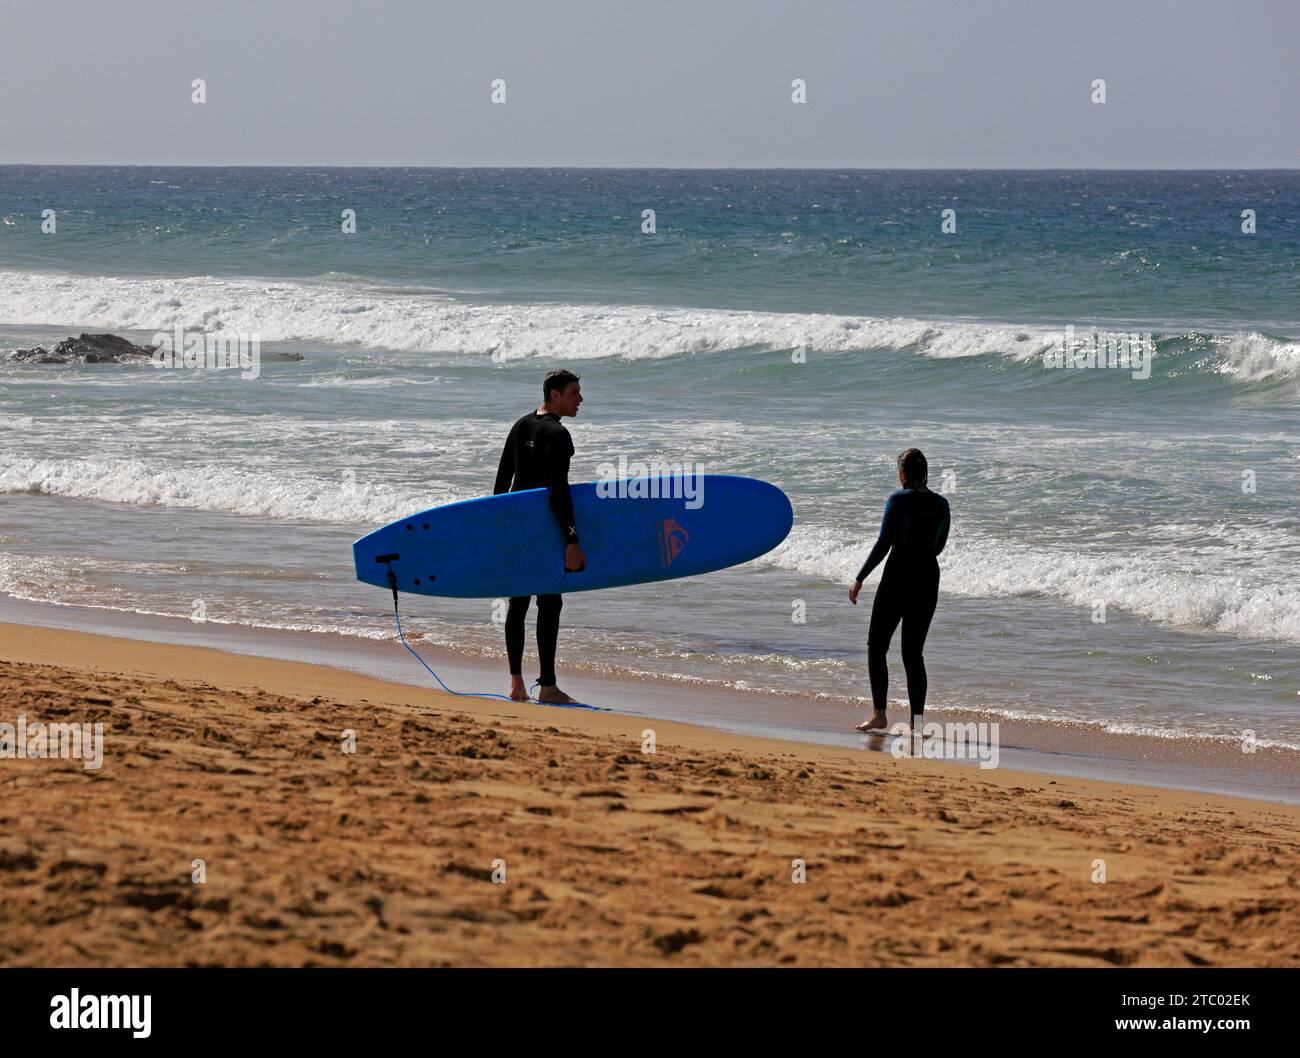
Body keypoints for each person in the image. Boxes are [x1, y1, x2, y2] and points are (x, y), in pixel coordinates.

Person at [494, 369, 586, 703]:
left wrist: (500, 530)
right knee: (550, 603)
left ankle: (517, 685)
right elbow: (558, 493)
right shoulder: (558, 436)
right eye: (574, 392)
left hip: (518, 529)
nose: (580, 399)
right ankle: (548, 687)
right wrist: (572, 539)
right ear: (555, 395)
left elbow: (502, 484)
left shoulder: (520, 426)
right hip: (546, 531)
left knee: (517, 604)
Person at [848, 448, 950, 732]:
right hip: (928, 578)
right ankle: (917, 724)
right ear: (925, 473)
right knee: (913, 654)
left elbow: (884, 543)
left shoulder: (897, 500)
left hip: (898, 578)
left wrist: (860, 577)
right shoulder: (942, 504)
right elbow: (938, 547)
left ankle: (880, 715)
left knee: (877, 646)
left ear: (902, 473)